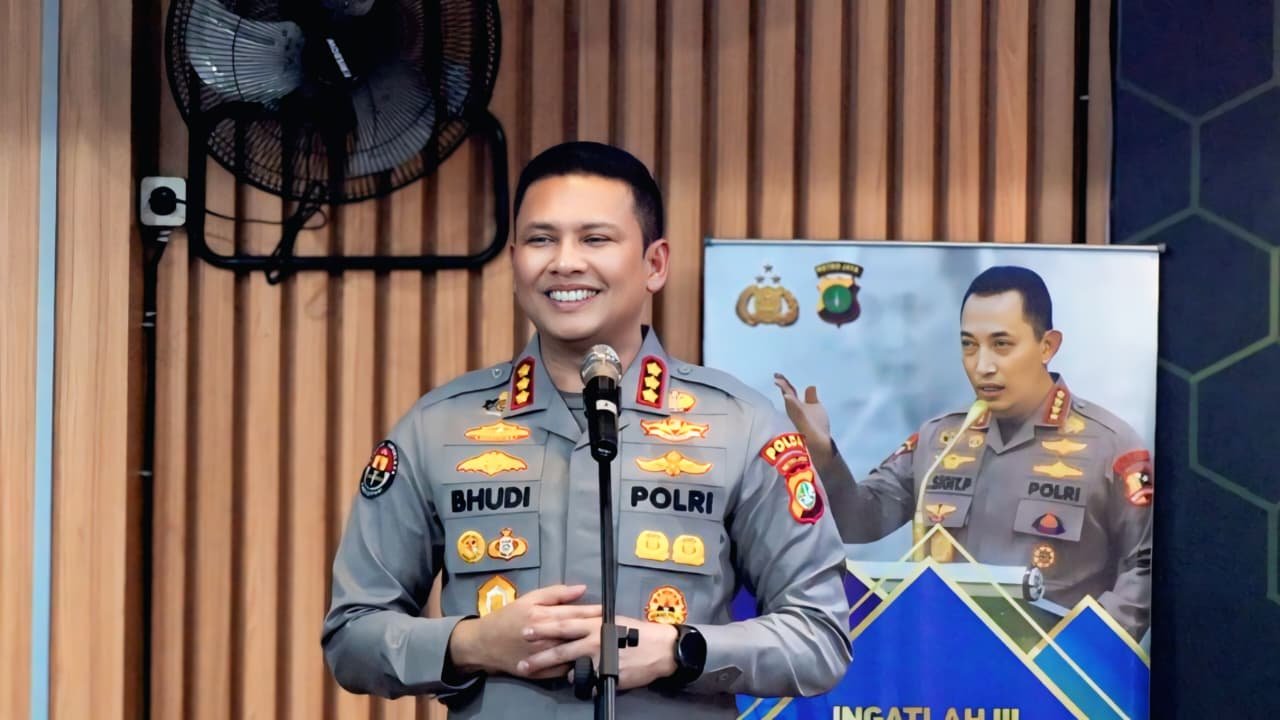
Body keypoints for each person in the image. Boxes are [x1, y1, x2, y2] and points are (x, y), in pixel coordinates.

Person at [323, 141, 852, 718]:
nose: (565, 262)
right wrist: (471, 643)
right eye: (541, 240)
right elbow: (352, 634)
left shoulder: (741, 427)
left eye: (595, 239)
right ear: (515, 261)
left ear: (655, 264)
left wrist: (680, 650)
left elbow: (820, 635)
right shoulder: (438, 426)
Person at [775, 266, 1153, 639]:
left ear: (1047, 346)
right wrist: (822, 454)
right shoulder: (939, 439)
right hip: (941, 665)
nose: (982, 366)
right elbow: (859, 521)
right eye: (969, 345)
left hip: (1050, 671)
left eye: (1001, 345)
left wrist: (1085, 651)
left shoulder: (1111, 446)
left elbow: (1144, 568)